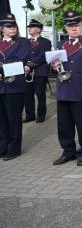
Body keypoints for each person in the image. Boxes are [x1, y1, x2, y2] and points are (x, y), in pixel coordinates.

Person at [51, 11, 82, 166]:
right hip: (64, 90)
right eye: (70, 26)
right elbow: (55, 67)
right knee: (64, 125)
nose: (74, 28)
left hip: (81, 91)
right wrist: (55, 66)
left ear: (81, 25)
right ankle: (68, 151)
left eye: (77, 25)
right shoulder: (61, 45)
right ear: (66, 28)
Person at [0, 14, 31, 161]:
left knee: (14, 119)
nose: (12, 28)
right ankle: (2, 147)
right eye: (8, 26)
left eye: (14, 26)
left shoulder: (23, 42)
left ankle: (14, 149)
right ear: (2, 29)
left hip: (15, 86)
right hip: (1, 86)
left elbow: (21, 59)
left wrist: (3, 67)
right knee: (2, 120)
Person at [23, 19, 52, 123]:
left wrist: (30, 65)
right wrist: (23, 66)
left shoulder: (46, 42)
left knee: (40, 94)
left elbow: (43, 56)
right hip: (27, 73)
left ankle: (41, 115)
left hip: (40, 72)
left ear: (39, 29)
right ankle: (30, 115)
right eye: (29, 27)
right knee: (28, 95)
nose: (29, 29)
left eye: (32, 27)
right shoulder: (26, 41)